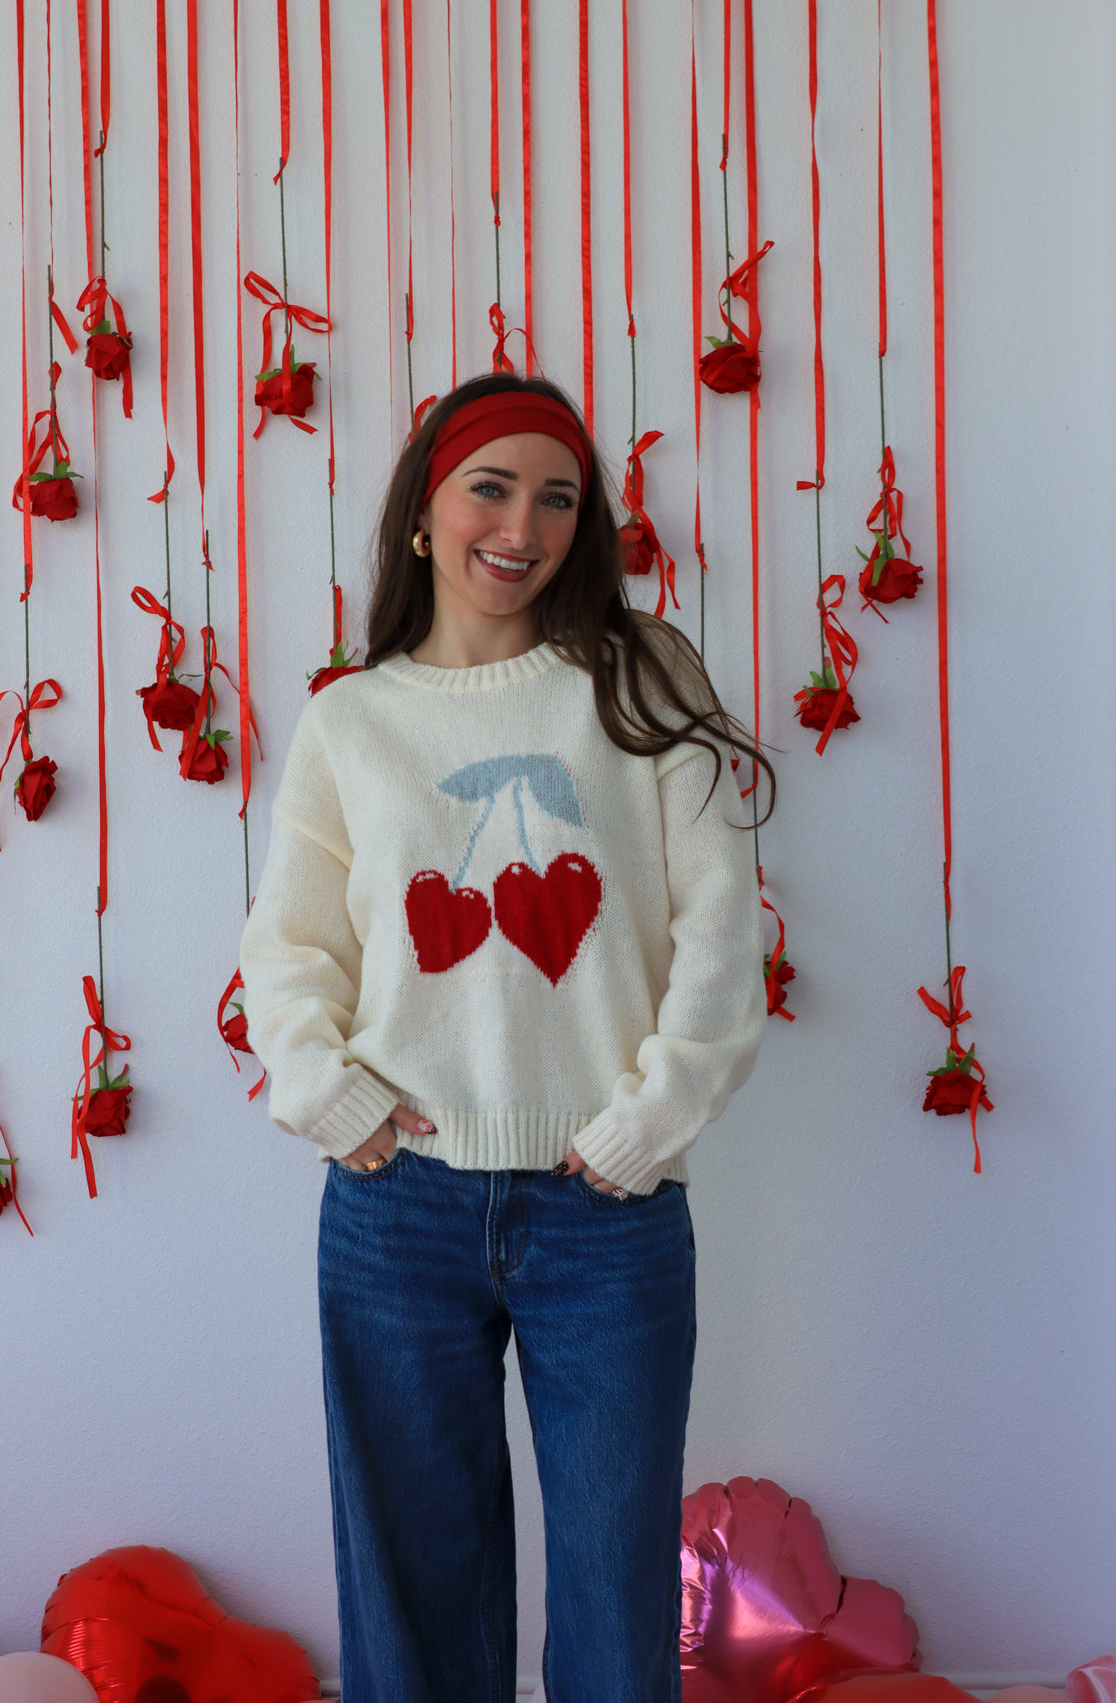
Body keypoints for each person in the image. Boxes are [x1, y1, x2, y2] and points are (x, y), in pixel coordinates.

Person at [240, 372, 773, 1703]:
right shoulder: (351, 721)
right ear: (425, 511)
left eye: (555, 497)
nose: (520, 527)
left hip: (610, 1208)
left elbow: (719, 930)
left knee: (612, 1588)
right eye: (490, 487)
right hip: (395, 1211)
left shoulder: (639, 680)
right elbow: (289, 948)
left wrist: (650, 1123)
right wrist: (325, 1093)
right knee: (410, 1587)